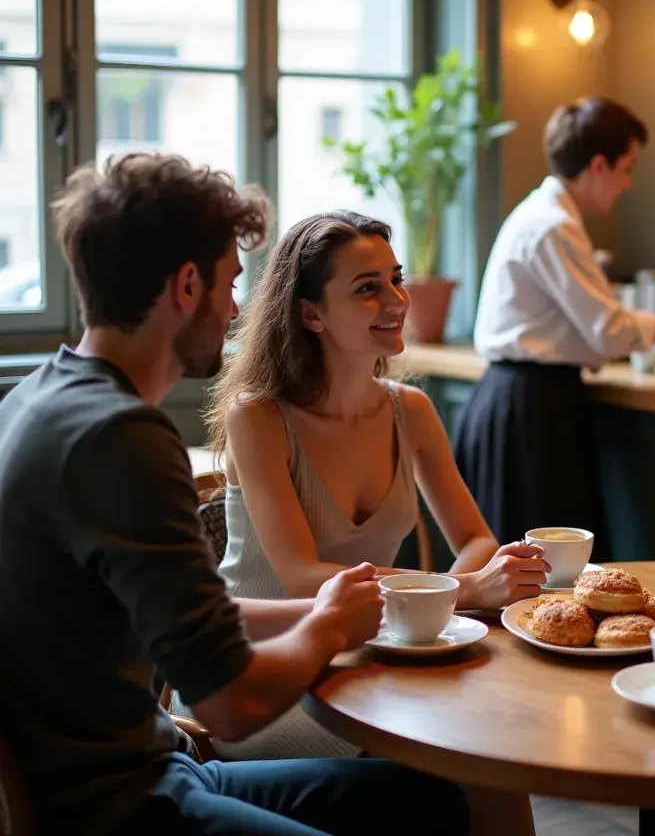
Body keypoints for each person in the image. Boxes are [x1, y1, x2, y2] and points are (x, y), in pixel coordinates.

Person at [0, 153, 468, 836]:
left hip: (162, 762)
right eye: (231, 284)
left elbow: (199, 612)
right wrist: (327, 626)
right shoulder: (123, 438)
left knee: (430, 798)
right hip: (118, 807)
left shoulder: (35, 399)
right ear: (188, 285)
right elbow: (232, 705)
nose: (239, 309)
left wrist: (327, 605)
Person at [179, 209, 544, 835]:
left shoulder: (412, 411)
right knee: (446, 766)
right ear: (311, 314)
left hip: (371, 658)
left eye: (395, 279)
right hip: (264, 670)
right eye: (367, 287)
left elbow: (476, 537)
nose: (396, 299)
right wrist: (457, 593)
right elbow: (299, 577)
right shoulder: (259, 417)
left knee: (494, 774)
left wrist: (439, 616)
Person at [453, 97, 655, 554]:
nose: (628, 184)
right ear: (599, 165)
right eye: (628, 168)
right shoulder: (553, 226)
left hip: (523, 401)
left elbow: (590, 335)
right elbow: (608, 332)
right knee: (543, 571)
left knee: (537, 570)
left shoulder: (547, 216)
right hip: (530, 410)